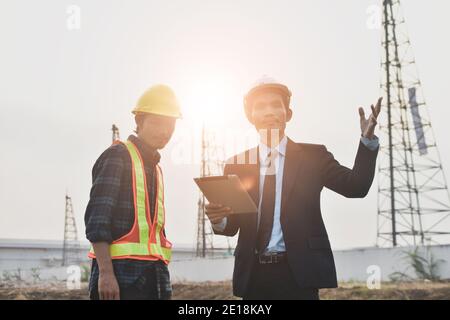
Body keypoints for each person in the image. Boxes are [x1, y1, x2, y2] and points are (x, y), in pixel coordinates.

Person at [206, 77, 381, 300]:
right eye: (260, 107)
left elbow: (356, 187)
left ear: (288, 114)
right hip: (254, 278)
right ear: (251, 116)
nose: (268, 112)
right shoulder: (237, 165)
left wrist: (367, 141)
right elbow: (231, 226)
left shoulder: (314, 157)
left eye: (275, 105)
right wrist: (218, 218)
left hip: (299, 276)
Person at [84, 84, 181, 300]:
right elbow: (97, 221)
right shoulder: (117, 156)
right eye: (156, 122)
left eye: (170, 124)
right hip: (121, 280)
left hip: (154, 280)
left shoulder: (155, 168)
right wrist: (106, 274)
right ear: (139, 121)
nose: (164, 131)